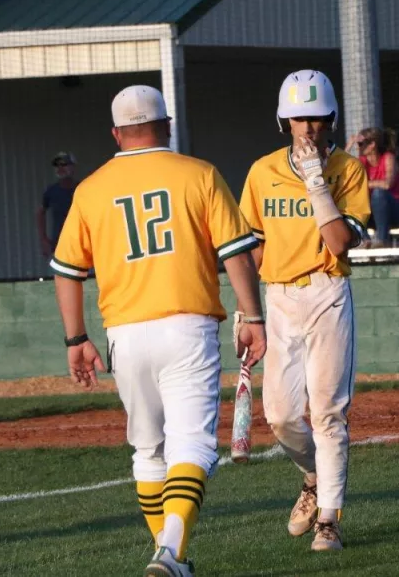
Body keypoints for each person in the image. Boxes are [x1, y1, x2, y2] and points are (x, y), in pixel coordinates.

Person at [51, 85, 266, 577]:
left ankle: (173, 557)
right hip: (187, 327)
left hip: (124, 334)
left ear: (115, 133)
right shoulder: (199, 173)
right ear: (167, 125)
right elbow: (236, 252)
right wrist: (253, 316)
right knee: (192, 445)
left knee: (149, 452)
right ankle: (169, 551)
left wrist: (76, 339)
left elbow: (67, 270)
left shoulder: (90, 189)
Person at [240, 69, 370, 553]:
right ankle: (313, 478)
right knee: (279, 416)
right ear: (284, 121)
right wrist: (247, 310)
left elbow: (339, 243)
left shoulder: (348, 170)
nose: (308, 128)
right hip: (278, 297)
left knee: (328, 412)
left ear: (331, 119)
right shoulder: (262, 171)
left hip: (327, 291)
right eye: (299, 118)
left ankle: (329, 520)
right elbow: (252, 247)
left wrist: (317, 181)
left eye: (316, 118)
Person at [347, 127, 399, 247]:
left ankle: (382, 240)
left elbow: (387, 184)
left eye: (360, 144)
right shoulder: (362, 162)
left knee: (378, 193)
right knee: (351, 198)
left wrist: (363, 184)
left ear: (372, 144)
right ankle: (365, 240)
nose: (358, 148)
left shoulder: (388, 158)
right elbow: (344, 174)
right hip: (374, 214)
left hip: (397, 211)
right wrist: (349, 146)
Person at [36, 152, 78, 261]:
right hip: (59, 245)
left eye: (64, 164)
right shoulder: (51, 191)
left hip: (81, 244)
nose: (60, 168)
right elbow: (40, 212)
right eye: (57, 165)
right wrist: (43, 239)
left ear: (73, 167)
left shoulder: (82, 189)